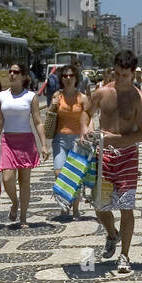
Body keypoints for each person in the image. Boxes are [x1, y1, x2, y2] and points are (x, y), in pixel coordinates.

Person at [88, 49, 142, 276]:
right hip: (103, 156)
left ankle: (124, 255)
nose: (120, 78)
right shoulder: (102, 92)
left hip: (127, 157)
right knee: (100, 206)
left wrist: (118, 139)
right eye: (117, 74)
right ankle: (112, 234)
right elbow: (85, 112)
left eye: (125, 75)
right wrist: (87, 127)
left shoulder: (140, 99)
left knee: (126, 206)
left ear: (133, 73)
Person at [0, 63, 49, 227]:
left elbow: (37, 121)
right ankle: (14, 202)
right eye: (10, 71)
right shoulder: (2, 96)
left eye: (16, 72)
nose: (12, 74)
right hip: (8, 141)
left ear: (23, 76)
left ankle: (23, 217)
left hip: (26, 142)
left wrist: (44, 145)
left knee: (24, 181)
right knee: (7, 178)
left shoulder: (31, 96)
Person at [49, 64, 90, 220]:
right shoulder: (57, 96)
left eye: (70, 76)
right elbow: (50, 117)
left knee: (75, 176)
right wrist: (52, 107)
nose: (67, 78)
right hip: (60, 139)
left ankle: (75, 209)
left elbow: (89, 118)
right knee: (58, 173)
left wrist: (88, 134)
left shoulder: (82, 98)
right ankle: (64, 203)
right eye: (64, 76)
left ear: (75, 78)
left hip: (77, 140)